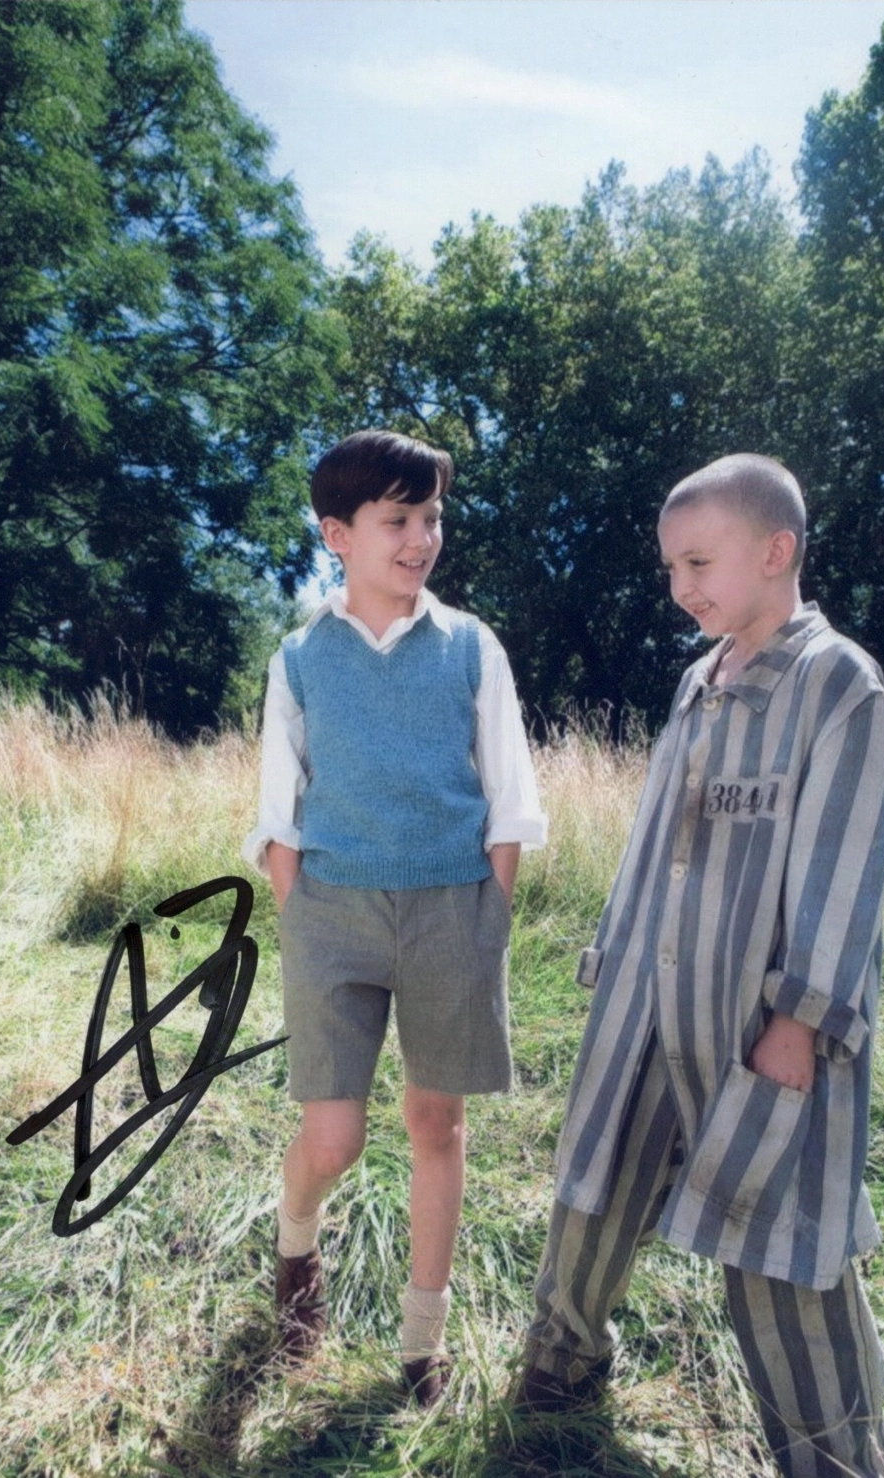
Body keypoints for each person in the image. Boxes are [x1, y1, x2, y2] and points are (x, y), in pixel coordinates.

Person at [515, 453, 884, 1477]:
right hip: (647, 1000)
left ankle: (836, 1452)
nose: (679, 585)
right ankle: (558, 1359)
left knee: (780, 1241)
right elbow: (654, 840)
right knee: (593, 1185)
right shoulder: (698, 678)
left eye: (697, 560)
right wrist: (610, 963)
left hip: (758, 1024)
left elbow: (844, 862)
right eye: (668, 566)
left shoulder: (835, 683)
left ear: (774, 552)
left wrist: (800, 1019)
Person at [243, 428, 547, 1406]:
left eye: (431, 518)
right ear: (336, 533)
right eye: (396, 519)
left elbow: (508, 797)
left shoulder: (469, 647)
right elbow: (276, 812)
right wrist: (301, 912)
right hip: (331, 914)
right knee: (331, 1138)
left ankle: (422, 1340)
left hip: (449, 909)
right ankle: (296, 1242)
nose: (420, 538)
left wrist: (487, 911)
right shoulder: (299, 658)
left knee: (433, 1119)